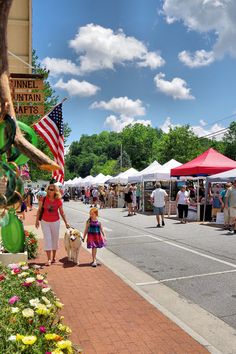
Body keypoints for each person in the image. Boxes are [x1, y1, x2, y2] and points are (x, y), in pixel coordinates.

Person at [35, 184, 70, 266]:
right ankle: (49, 259)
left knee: (55, 239)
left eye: (52, 190)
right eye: (49, 189)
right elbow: (39, 210)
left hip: (55, 222)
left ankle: (54, 257)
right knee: (47, 239)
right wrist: (36, 221)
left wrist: (66, 222)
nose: (50, 191)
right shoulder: (43, 199)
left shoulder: (58, 200)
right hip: (45, 221)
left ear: (55, 191)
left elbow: (62, 212)